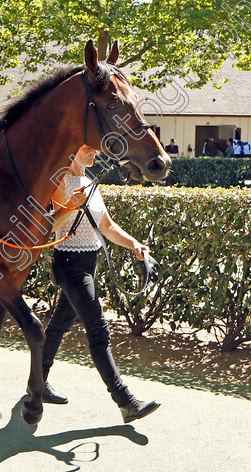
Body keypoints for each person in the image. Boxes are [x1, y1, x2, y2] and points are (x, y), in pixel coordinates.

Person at [41, 145, 160, 423]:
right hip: (70, 264)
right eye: (87, 147)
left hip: (88, 264)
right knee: (98, 330)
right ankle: (125, 401)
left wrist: (134, 244)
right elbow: (49, 225)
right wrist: (71, 204)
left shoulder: (89, 182)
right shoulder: (59, 181)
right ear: (71, 150)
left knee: (58, 326)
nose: (94, 150)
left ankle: (37, 383)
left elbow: (106, 226)